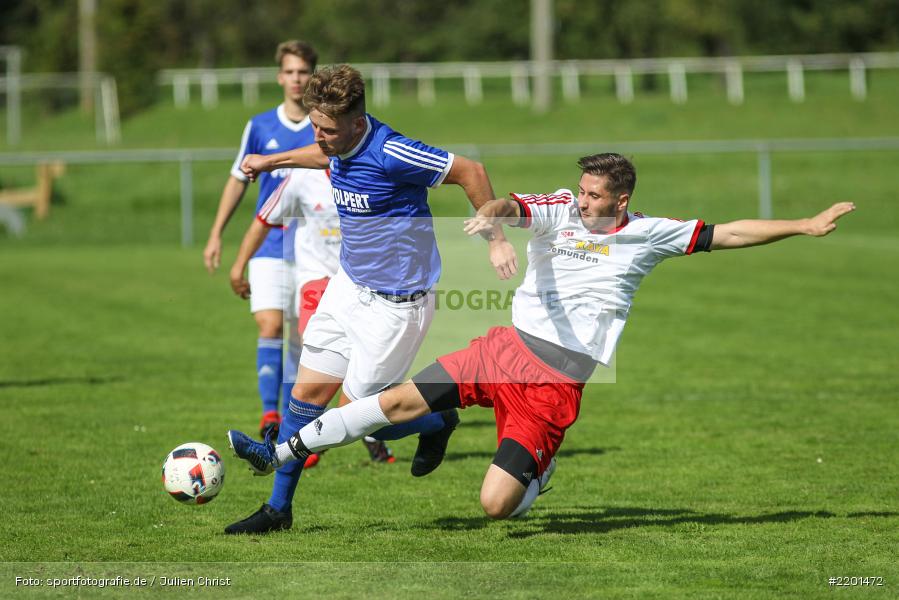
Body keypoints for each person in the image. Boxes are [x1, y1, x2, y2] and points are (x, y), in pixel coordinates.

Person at [229, 152, 856, 520]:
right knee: (393, 401)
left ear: (622, 198)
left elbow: (731, 233)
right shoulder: (559, 207)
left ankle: (538, 465)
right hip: (503, 348)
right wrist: (492, 219)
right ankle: (278, 453)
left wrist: (804, 224)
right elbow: (511, 205)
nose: (581, 202)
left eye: (593, 196)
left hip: (554, 382)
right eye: (580, 192)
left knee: (495, 506)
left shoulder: (652, 233)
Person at [224, 64, 517, 534]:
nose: (320, 137)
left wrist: (497, 238)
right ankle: (278, 510)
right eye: (315, 126)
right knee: (305, 397)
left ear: (357, 123)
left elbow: (470, 170)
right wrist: (273, 161)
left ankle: (437, 420)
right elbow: (326, 157)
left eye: (328, 129)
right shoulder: (334, 142)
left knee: (366, 417)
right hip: (347, 287)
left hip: (396, 306)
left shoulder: (392, 151)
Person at [229, 167, 396, 474]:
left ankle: (413, 422)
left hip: (359, 285)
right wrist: (239, 265)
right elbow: (264, 218)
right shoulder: (302, 179)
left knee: (360, 380)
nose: (323, 138)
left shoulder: (369, 173)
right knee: (317, 355)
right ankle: (297, 447)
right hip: (316, 284)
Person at [203, 40, 320, 439]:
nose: (296, 79)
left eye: (303, 72)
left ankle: (296, 420)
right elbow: (238, 180)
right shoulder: (260, 126)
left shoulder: (325, 127)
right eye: (289, 72)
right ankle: (270, 414)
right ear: (279, 76)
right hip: (269, 247)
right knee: (270, 325)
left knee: (304, 335)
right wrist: (216, 234)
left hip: (314, 250)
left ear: (313, 76)